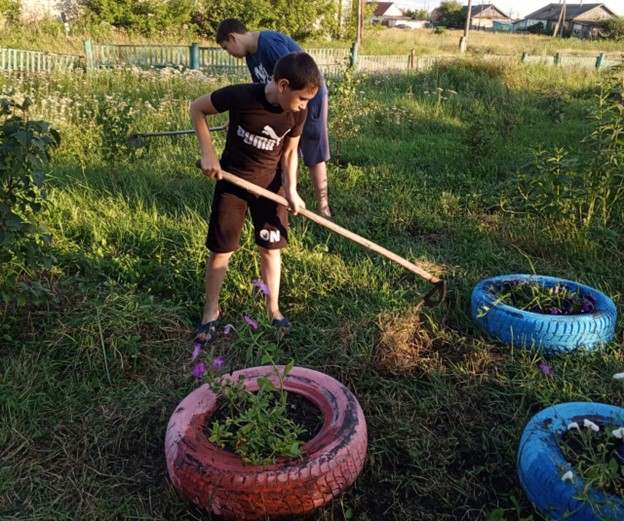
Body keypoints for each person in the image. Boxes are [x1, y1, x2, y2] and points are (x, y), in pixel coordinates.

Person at [190, 51, 322, 344]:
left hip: (269, 188)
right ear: (284, 85)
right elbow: (197, 108)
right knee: (221, 251)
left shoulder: (296, 113)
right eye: (302, 99)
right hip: (233, 183)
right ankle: (211, 310)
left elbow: (289, 153)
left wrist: (291, 191)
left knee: (270, 249)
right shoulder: (241, 96)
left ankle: (273, 308)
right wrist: (208, 152)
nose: (304, 106)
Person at [216, 18, 332, 218]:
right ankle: (288, 197)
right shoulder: (251, 57)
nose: (230, 54)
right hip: (286, 103)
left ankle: (323, 207)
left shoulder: (269, 45)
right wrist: (239, 117)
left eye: (227, 48)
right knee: (284, 150)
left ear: (233, 37)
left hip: (309, 99)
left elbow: (300, 79)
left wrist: (300, 106)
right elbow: (262, 93)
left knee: (313, 150)